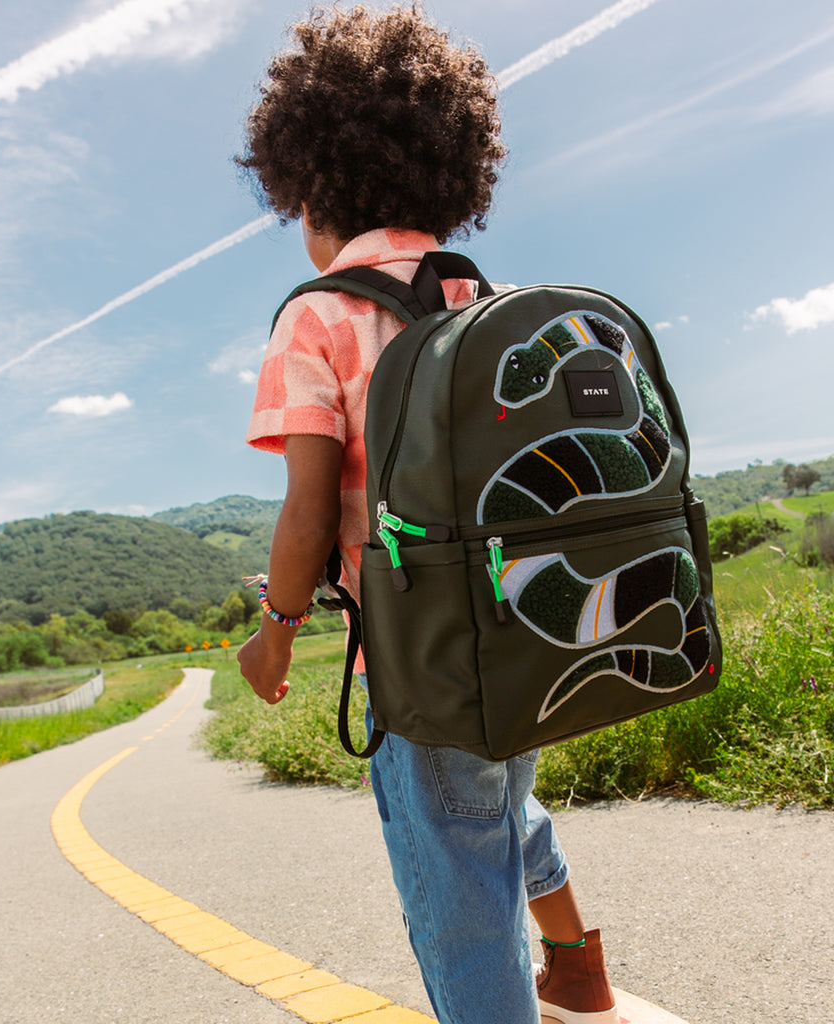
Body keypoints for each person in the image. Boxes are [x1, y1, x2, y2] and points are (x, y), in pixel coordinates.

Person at [235, 7, 619, 1023]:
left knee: (455, 894)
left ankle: (544, 981)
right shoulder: (483, 298)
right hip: (525, 629)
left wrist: (274, 632)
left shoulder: (315, 312)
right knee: (491, 805)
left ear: (307, 185)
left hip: (419, 657)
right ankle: (576, 962)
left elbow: (310, 508)